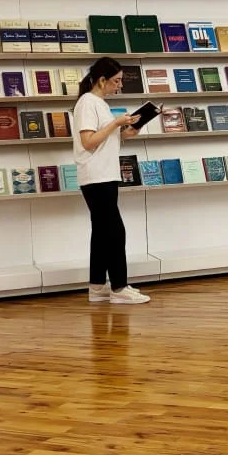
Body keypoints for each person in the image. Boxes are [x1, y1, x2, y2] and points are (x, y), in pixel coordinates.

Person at [74, 57, 148, 304]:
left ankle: (97, 286)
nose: (120, 86)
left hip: (104, 174)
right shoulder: (88, 102)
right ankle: (119, 287)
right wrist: (116, 122)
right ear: (102, 80)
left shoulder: (100, 103)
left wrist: (126, 133)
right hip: (96, 176)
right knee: (115, 231)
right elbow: (88, 141)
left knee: (102, 232)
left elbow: (103, 139)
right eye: (116, 81)